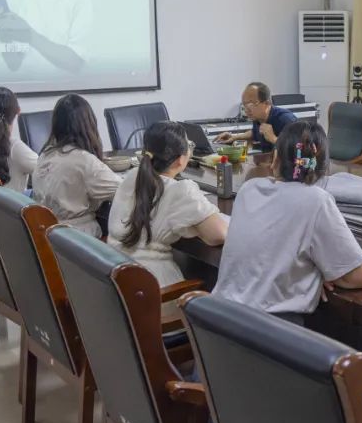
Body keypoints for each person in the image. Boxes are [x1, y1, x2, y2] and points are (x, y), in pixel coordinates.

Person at [213, 121, 362, 324]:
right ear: (323, 167)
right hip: (269, 331)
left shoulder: (248, 189)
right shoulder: (316, 200)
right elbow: (359, 277)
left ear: (275, 158)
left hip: (220, 321)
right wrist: (319, 272)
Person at [107, 122, 227, 286]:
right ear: (180, 160)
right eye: (189, 146)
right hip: (155, 287)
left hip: (117, 278)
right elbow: (219, 235)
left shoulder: (132, 176)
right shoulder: (180, 190)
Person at [32, 93, 121, 237]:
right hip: (79, 238)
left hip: (45, 236)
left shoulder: (45, 155)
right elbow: (125, 190)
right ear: (88, 124)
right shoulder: (84, 161)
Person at [215, 82, 296, 153]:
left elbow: (298, 151)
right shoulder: (258, 118)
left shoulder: (286, 120)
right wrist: (234, 137)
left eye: (250, 104)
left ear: (267, 103)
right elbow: (254, 133)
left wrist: (273, 138)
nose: (246, 110)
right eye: (244, 105)